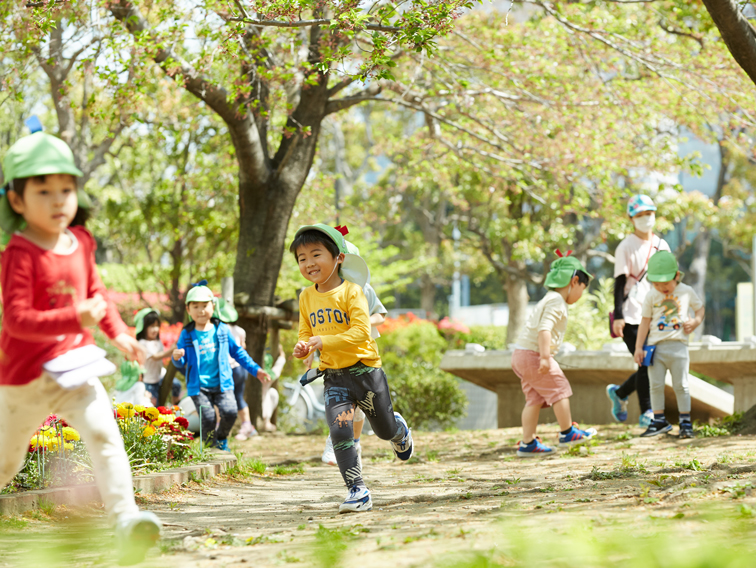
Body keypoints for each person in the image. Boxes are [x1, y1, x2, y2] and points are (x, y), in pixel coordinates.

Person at [0, 130, 161, 564]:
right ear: (17, 201)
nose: (58, 200)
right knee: (6, 464)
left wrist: (121, 335)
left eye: (66, 189)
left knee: (105, 436)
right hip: (25, 380)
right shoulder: (19, 253)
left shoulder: (82, 242)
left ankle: (127, 519)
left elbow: (98, 294)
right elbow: (16, 321)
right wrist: (78, 318)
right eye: (44, 190)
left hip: (75, 370)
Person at [290, 223, 413, 513]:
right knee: (340, 432)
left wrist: (324, 340)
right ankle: (357, 490)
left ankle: (398, 430)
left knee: (383, 431)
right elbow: (305, 332)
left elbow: (361, 331)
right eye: (302, 258)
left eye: (316, 254)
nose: (309, 263)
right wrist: (303, 346)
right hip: (334, 378)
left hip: (367, 372)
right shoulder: (306, 297)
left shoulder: (353, 292)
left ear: (339, 258)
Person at [511, 253, 598, 457]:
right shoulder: (557, 301)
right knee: (560, 389)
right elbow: (545, 329)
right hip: (534, 354)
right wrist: (544, 357)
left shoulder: (548, 299)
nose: (581, 295)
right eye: (582, 289)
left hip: (520, 355)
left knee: (533, 399)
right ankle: (567, 432)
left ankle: (528, 443)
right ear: (574, 281)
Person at [172, 282, 270, 451]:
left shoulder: (222, 330)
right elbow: (181, 361)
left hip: (223, 384)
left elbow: (238, 353)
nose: (201, 310)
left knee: (231, 411)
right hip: (199, 387)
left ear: (213, 306)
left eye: (205, 305)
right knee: (208, 417)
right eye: (195, 306)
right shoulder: (187, 334)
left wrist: (256, 370)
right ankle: (211, 449)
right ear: (188, 310)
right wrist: (177, 358)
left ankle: (221, 438)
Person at [607, 195, 671, 428]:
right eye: (640, 215)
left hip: (656, 313)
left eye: (649, 214)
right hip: (631, 314)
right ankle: (647, 413)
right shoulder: (626, 246)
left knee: (651, 362)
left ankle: (620, 392)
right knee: (646, 361)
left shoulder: (661, 245)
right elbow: (619, 282)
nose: (646, 219)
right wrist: (619, 316)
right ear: (631, 218)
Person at [633, 251, 704, 438]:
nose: (661, 287)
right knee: (655, 385)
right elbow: (645, 322)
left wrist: (695, 322)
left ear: (677, 276)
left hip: (678, 346)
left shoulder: (686, 291)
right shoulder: (651, 296)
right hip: (655, 348)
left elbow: (700, 308)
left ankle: (685, 422)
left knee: (681, 385)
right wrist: (639, 347)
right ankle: (658, 421)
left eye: (665, 283)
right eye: (656, 283)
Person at [320, 281, 387, 466]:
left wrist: (360, 321)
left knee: (360, 408)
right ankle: (335, 443)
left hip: (362, 356)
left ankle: (355, 443)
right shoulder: (321, 290)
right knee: (343, 401)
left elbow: (380, 316)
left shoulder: (363, 287)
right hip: (336, 360)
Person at [134, 308, 181, 405]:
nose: (155, 329)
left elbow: (163, 354)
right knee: (153, 405)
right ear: (143, 327)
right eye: (151, 326)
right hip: (149, 381)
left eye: (157, 326)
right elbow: (156, 356)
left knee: (176, 384)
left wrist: (173, 350)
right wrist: (171, 350)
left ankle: (175, 404)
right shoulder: (142, 343)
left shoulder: (157, 341)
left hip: (159, 375)